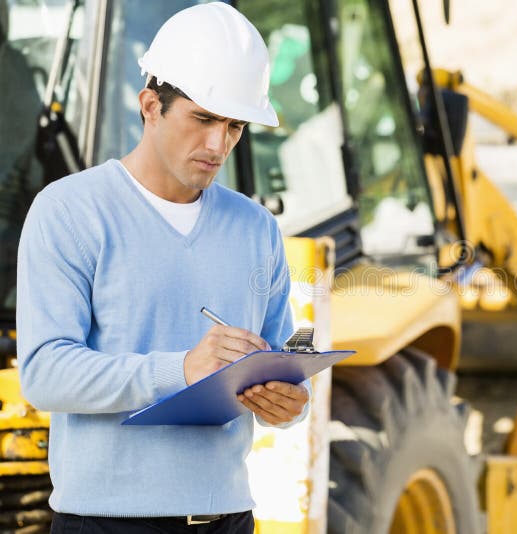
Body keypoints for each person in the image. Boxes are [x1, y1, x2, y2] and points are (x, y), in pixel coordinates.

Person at [16, 3, 310, 532]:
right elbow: (43, 372)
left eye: (235, 125)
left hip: (228, 518)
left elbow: (281, 361)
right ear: (150, 105)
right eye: (202, 119)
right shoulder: (69, 211)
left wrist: (288, 403)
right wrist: (180, 369)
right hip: (105, 522)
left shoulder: (257, 229)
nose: (218, 144)